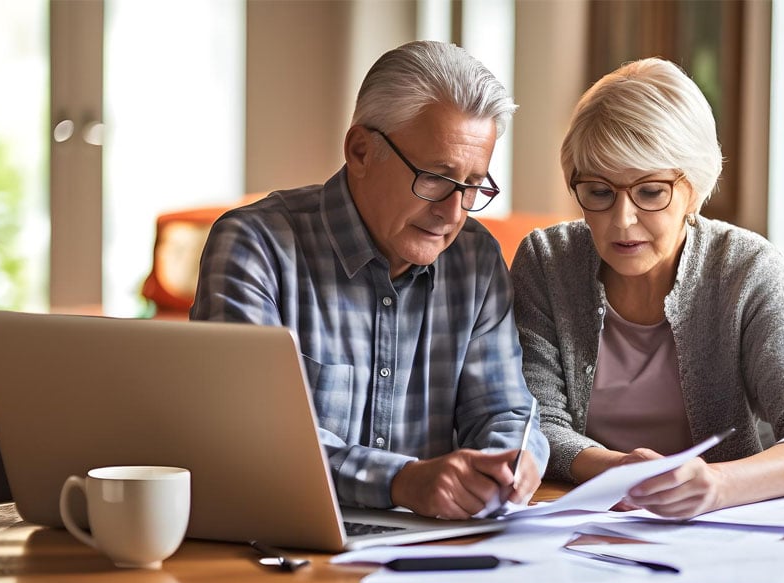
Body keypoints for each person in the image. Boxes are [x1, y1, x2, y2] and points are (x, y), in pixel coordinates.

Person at [192, 41, 548, 520]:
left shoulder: (476, 258)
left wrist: (514, 461)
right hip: (279, 549)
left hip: (433, 558)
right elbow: (248, 439)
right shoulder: (255, 246)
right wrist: (402, 482)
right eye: (436, 178)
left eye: (472, 186)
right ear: (360, 150)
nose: (452, 212)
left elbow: (505, 411)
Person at [510, 58, 784, 519]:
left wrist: (719, 483)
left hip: (723, 529)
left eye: (651, 192)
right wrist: (620, 471)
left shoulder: (748, 269)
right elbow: (537, 423)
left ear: (693, 189)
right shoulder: (547, 261)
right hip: (578, 524)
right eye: (598, 192)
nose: (622, 221)